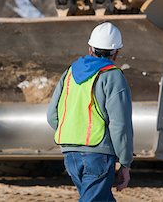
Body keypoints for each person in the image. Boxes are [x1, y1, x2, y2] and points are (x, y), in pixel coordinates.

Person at [47, 22, 133, 202]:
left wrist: (73, 135)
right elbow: (120, 124)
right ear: (116, 52)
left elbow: (52, 116)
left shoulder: (69, 73)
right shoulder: (113, 76)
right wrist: (125, 163)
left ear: (89, 48)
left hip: (70, 155)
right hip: (98, 155)